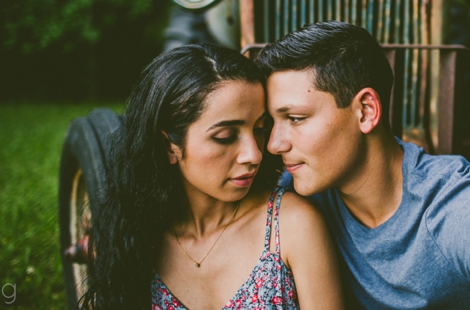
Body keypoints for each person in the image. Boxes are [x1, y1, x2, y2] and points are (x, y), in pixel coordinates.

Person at [257, 21, 470, 310]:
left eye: (296, 119)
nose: (275, 144)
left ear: (366, 111)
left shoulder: (464, 201)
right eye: (272, 123)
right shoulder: (293, 201)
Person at [81, 43, 343, 310]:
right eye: (225, 137)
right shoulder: (136, 236)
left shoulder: (291, 226)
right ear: (168, 146)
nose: (254, 154)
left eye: (261, 129)